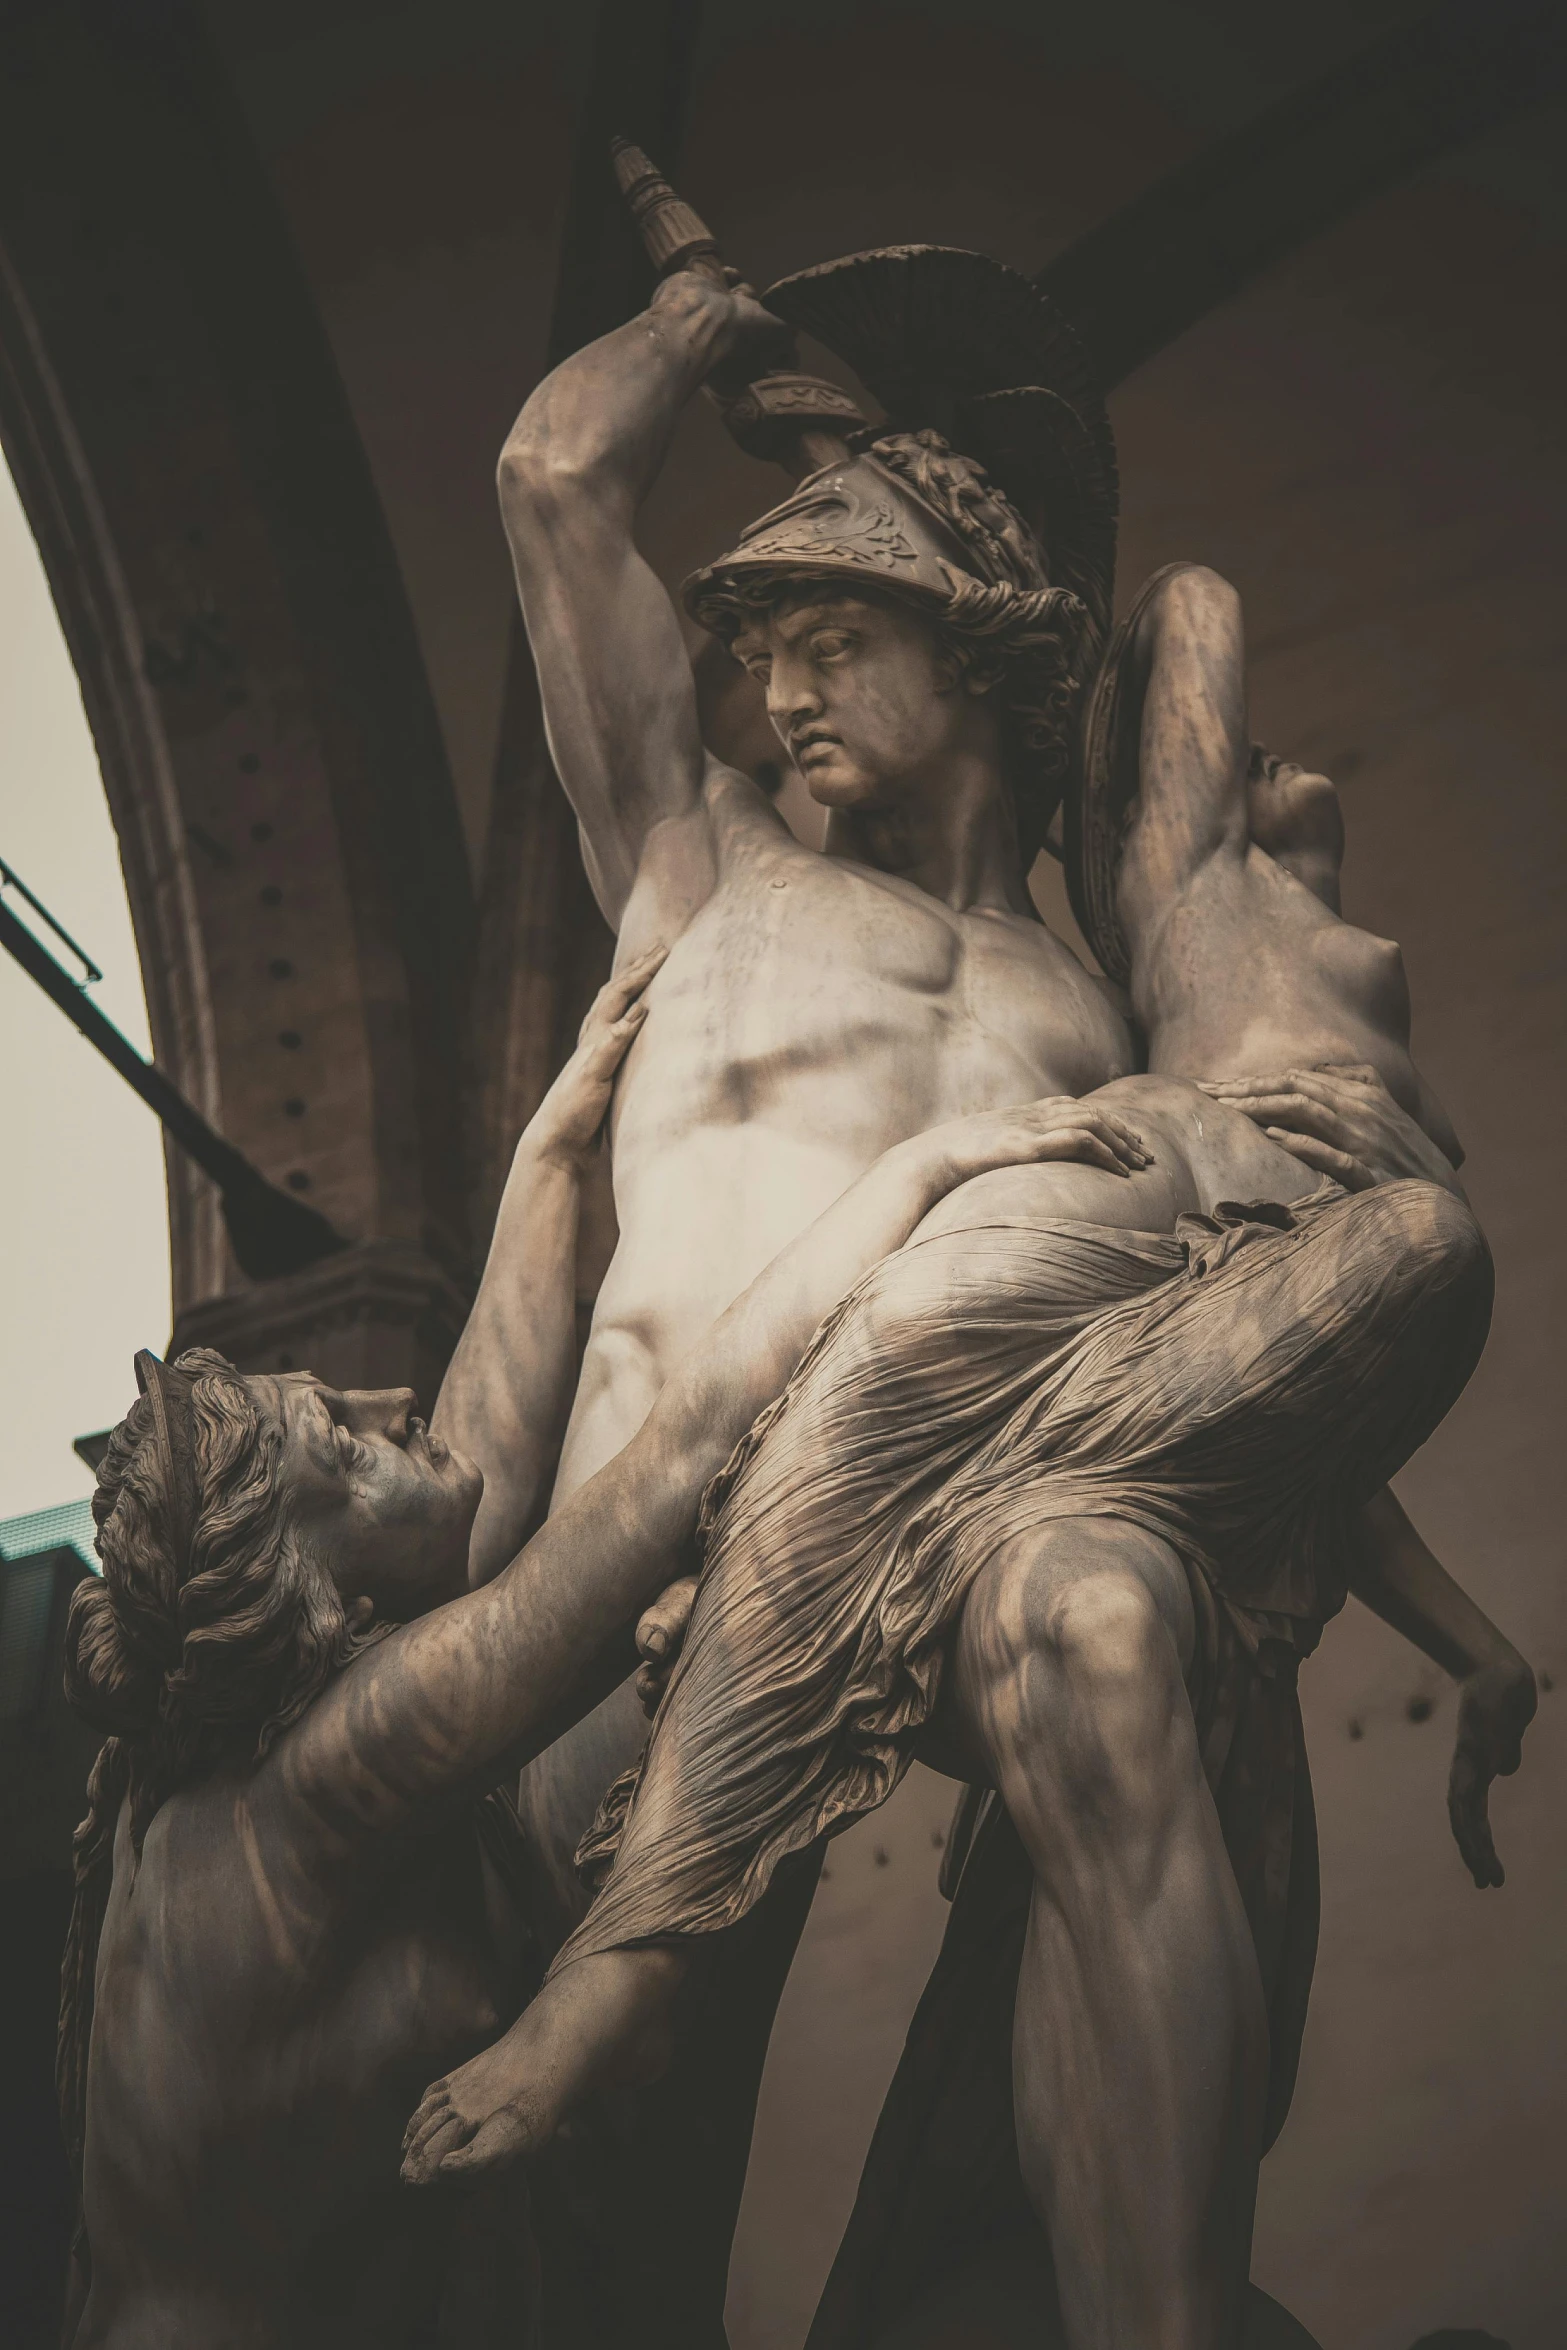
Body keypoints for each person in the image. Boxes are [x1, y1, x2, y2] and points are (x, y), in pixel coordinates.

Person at [401, 554, 1536, 2350]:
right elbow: (549, 489)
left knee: (1124, 1582)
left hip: (1115, 1359)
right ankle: (631, 1953)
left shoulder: (1102, 984)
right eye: (765, 656)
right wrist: (761, 369)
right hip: (677, 1524)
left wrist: (1469, 1638)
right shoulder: (755, 868)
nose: (779, 696)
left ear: (976, 650)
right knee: (618, 2239)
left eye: (832, 642)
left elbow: (1238, 1385)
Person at [54, 947, 1126, 2350]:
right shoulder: (332, 1766)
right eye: (344, 1441)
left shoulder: (212, 1746)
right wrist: (920, 1166)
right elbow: (668, 1463)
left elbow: (471, 1465)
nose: (390, 1399)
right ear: (299, 1585)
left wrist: (551, 1148)